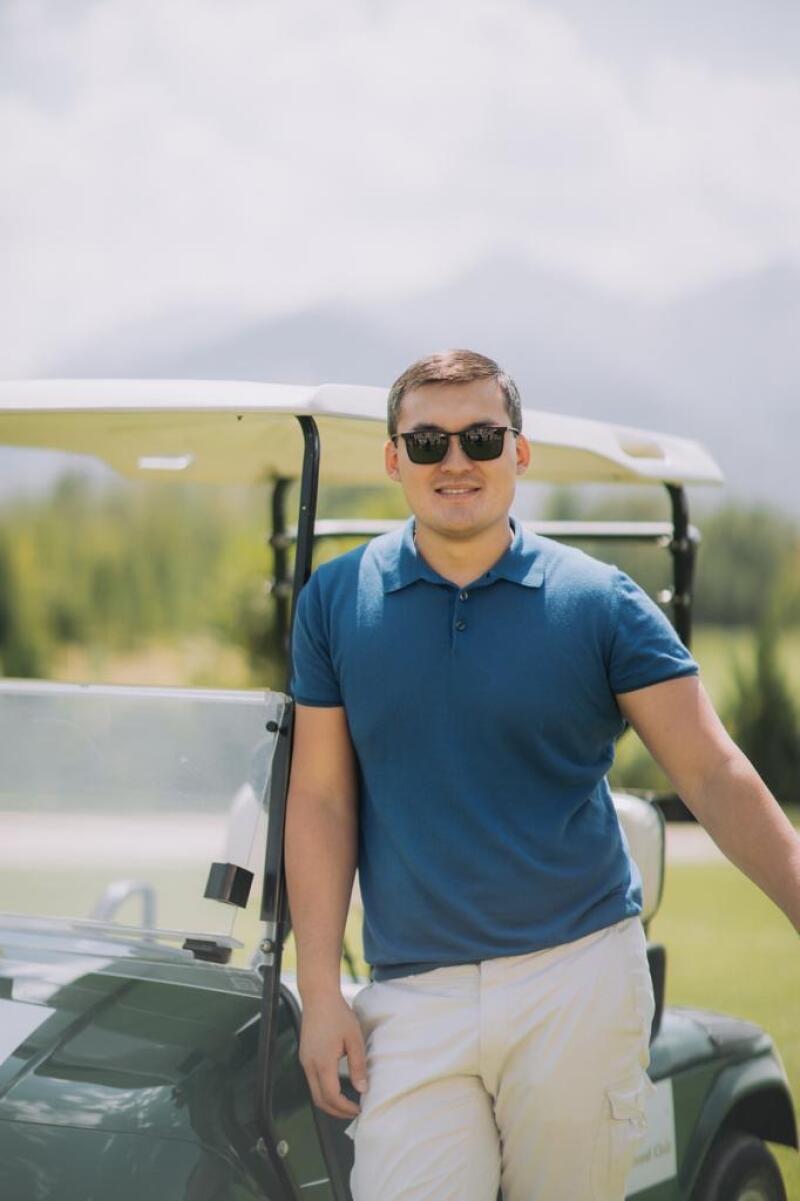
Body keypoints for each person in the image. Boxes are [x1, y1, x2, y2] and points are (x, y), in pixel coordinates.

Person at [284, 349, 800, 1201]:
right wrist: (317, 989)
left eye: (482, 437)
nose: (456, 461)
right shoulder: (335, 601)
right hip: (412, 996)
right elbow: (322, 797)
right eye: (428, 443)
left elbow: (712, 773)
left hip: (578, 981)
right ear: (392, 459)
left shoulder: (601, 602)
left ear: (520, 453)